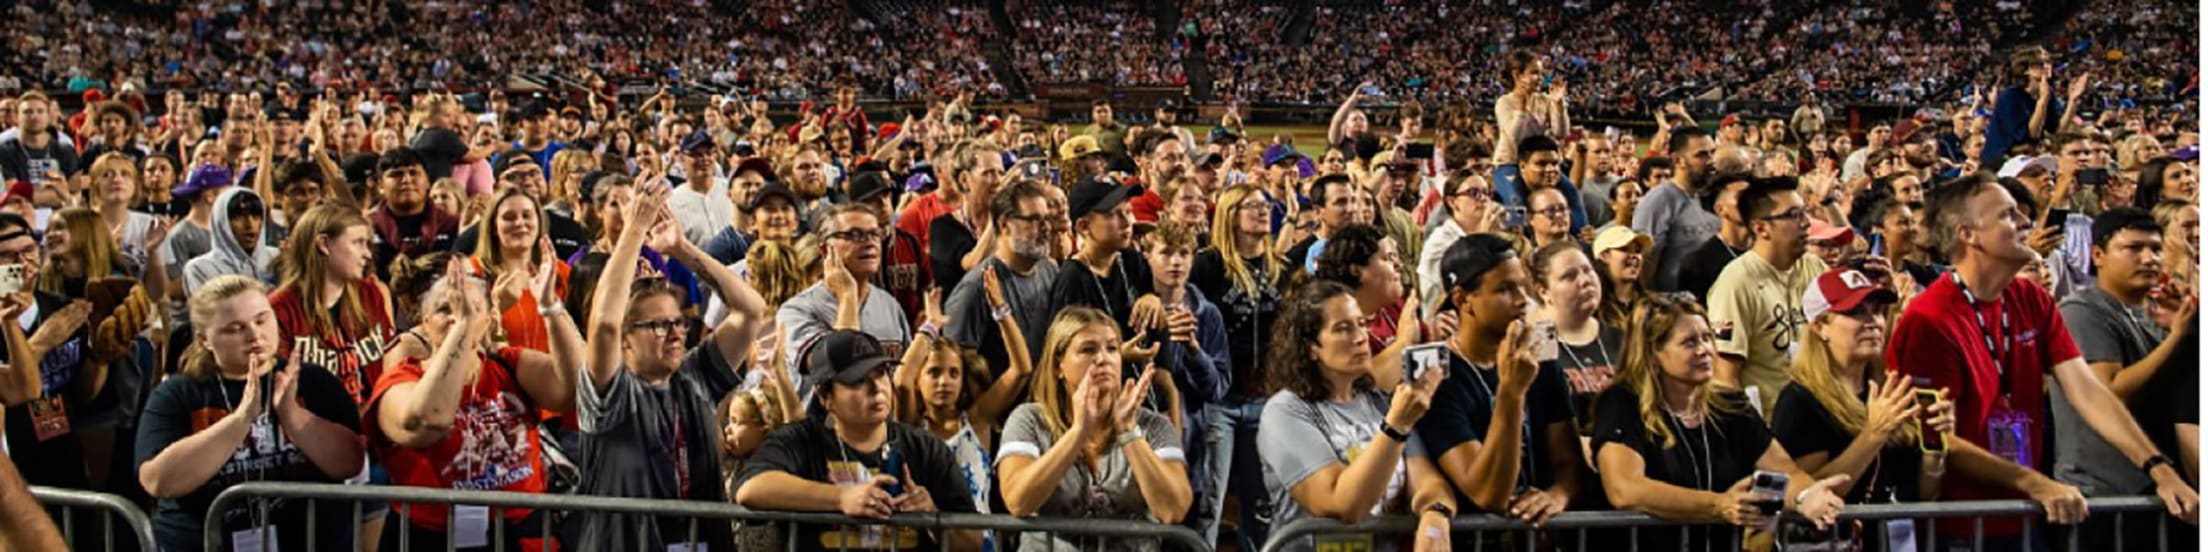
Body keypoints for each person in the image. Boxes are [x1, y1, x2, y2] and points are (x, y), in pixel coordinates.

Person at [1891, 175, 2199, 549]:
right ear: (1968, 234)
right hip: (1964, 523)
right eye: (2008, 215)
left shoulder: (2030, 298)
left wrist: (2158, 468)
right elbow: (1937, 437)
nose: (2026, 223)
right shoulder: (1928, 318)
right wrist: (2033, 482)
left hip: (2028, 513)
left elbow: (2089, 391)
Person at [1772, 266, 2092, 546]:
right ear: (1819, 327)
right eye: (1855, 312)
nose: (1872, 321)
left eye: (1876, 310)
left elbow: (1925, 495)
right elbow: (1812, 497)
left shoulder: (1893, 388)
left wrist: (1935, 454)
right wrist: (1874, 434)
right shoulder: (1801, 400)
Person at [570, 179, 768, 549]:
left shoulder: (692, 376)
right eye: (658, 325)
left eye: (677, 322)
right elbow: (604, 326)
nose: (676, 334)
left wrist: (681, 247)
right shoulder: (610, 388)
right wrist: (634, 229)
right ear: (627, 337)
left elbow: (751, 310)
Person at [1591, 293, 1847, 552]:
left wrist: (1807, 497)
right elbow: (1625, 489)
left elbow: (1783, 470)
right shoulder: (1621, 403)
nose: (1705, 350)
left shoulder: (1730, 404)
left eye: (1707, 337)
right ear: (1654, 353)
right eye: (1690, 342)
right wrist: (1718, 504)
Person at [133, 276, 365, 551]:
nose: (254, 335)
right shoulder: (177, 394)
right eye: (235, 328)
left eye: (261, 320)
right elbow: (157, 481)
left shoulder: (313, 381)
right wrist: (240, 420)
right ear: (205, 339)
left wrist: (293, 416)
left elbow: (350, 462)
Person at [369, 254, 580, 549]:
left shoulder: (509, 365)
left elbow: (569, 389)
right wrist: (464, 327)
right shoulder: (401, 380)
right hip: (431, 537)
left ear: (492, 317)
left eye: (470, 307)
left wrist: (551, 307)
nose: (457, 316)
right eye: (446, 309)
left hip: (520, 534)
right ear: (425, 323)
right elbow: (429, 419)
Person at [736, 330, 983, 552]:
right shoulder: (800, 440)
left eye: (881, 374)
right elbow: (752, 488)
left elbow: (972, 543)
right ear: (825, 396)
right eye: (857, 380)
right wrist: (841, 498)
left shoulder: (925, 448)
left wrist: (932, 516)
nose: (876, 388)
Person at [1259, 279, 1454, 552]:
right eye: (1343, 328)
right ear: (1311, 348)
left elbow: (1429, 482)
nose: (1361, 337)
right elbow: (1343, 505)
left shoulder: (1380, 402)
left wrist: (1435, 515)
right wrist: (1397, 426)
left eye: (1361, 324)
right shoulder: (1286, 411)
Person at [1420, 235, 1589, 535]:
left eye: (1522, 286)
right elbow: (1486, 492)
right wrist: (1511, 393)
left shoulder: (1541, 360)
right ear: (1462, 300)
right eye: (1505, 289)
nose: (1523, 300)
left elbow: (1570, 465)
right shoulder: (1437, 377)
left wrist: (1557, 496)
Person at [2051, 208, 2199, 545]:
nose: (2148, 258)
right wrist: (2177, 338)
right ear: (2098, 255)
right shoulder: (2082, 311)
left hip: (2163, 494)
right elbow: (2107, 393)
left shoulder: (2152, 315)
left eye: (2156, 249)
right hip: (2103, 498)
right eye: (2133, 248)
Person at [996, 308, 1192, 551]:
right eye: (1088, 350)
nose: (1103, 359)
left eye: (1111, 349)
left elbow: (1173, 510)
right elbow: (1018, 500)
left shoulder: (1154, 426)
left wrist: (1129, 432)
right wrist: (1078, 432)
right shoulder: (1029, 419)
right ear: (1059, 366)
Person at [1187, 182, 1288, 550]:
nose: (1264, 211)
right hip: (1220, 400)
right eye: (1252, 206)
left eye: (1266, 205)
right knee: (1210, 501)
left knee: (1260, 503)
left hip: (1267, 400)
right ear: (1231, 215)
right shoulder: (1208, 266)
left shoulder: (1282, 268)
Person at [1706, 176, 1826, 414]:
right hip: (1771, 423)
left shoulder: (1813, 267)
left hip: (1819, 415)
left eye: (1805, 212)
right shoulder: (1736, 282)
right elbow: (1726, 377)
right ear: (1761, 228)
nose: (1806, 222)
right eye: (1794, 215)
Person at [779, 203, 911, 389]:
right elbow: (840, 374)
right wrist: (848, 295)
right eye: (855, 235)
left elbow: (903, 380)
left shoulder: (889, 304)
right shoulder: (796, 310)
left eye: (875, 234)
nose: (869, 242)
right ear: (825, 249)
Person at [1531, 241, 1620, 436]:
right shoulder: (1536, 346)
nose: (1585, 281)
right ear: (1543, 291)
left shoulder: (1621, 338)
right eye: (1569, 276)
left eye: (1588, 270)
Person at [469, 187, 574, 352]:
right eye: (509, 218)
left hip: (556, 374)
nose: (519, 223)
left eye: (527, 215)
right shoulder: (474, 274)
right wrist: (498, 311)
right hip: (499, 373)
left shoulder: (561, 273)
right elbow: (469, 343)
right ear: (494, 227)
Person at [1050, 177, 1155, 329]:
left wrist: (1151, 298)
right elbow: (1063, 345)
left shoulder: (1132, 260)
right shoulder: (1073, 279)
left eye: (1128, 211)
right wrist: (1119, 353)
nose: (1127, 222)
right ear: (1083, 226)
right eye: (1113, 214)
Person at [1633, 127, 1720, 293]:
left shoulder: (1701, 195)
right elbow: (1646, 261)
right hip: (1672, 306)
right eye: (1701, 155)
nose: (1710, 160)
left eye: (1712, 152)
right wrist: (1650, 303)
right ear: (1678, 160)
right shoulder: (1659, 200)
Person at [1980, 47, 2088, 168]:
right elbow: (2031, 135)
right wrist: (2042, 101)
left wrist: (2072, 101)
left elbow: (2057, 131)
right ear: (2026, 70)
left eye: (2048, 62)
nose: (2047, 67)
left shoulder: (2048, 93)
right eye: (2040, 64)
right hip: (2000, 162)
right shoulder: (2010, 96)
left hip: (2026, 158)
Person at [368, 148, 461, 280]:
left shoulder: (452, 226)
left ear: (428, 181)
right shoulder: (368, 229)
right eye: (396, 175)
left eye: (413, 173)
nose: (406, 180)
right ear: (380, 185)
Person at [1591, 226, 1651, 329]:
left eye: (1638, 251)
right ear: (1604, 256)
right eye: (1624, 249)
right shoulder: (1592, 308)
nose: (1634, 256)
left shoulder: (1651, 306)